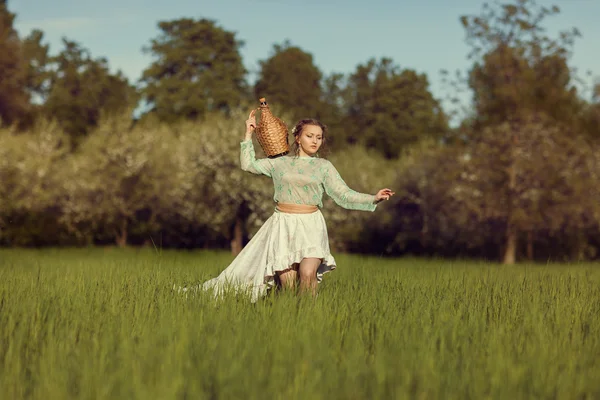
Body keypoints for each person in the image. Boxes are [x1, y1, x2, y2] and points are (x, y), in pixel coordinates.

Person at [198, 110, 394, 302]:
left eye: (319, 137)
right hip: (283, 226)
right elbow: (248, 165)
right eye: (310, 136)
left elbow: (343, 194)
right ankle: (291, 323)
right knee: (288, 287)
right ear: (298, 138)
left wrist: (372, 198)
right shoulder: (279, 163)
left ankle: (311, 323)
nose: (315, 141)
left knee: (308, 274)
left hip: (311, 225)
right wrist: (249, 134)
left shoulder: (324, 167)